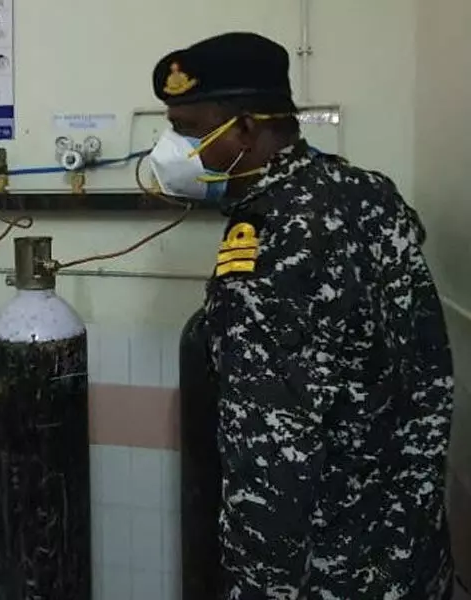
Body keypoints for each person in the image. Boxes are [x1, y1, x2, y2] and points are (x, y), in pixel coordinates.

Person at [147, 32, 454, 598]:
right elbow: (429, 376)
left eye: (189, 129)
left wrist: (262, 588)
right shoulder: (368, 194)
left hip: (327, 575)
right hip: (410, 554)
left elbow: (270, 454)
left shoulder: (270, 243)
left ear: (245, 129)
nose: (173, 149)